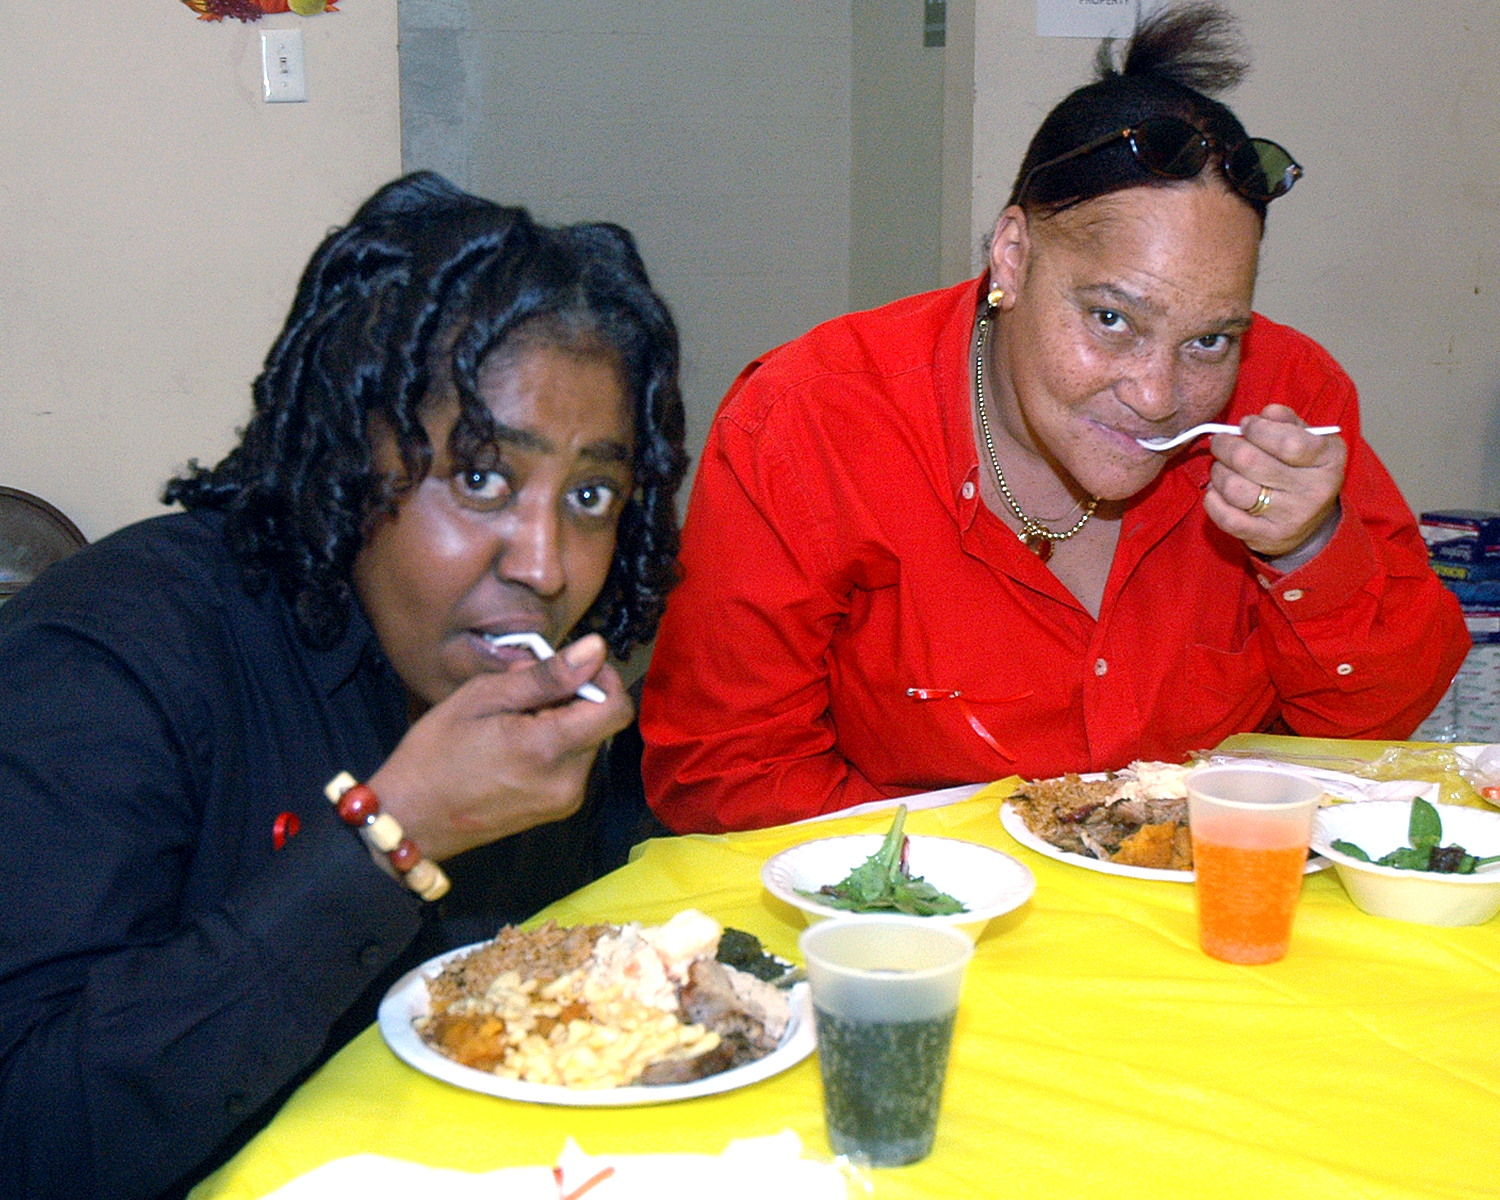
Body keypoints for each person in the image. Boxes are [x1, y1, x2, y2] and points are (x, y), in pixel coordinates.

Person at [0, 171, 687, 1199]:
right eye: (482, 476)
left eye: (591, 493)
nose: (547, 565)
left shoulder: (529, 712)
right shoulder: (106, 662)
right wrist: (391, 838)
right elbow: (34, 1136)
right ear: (344, 452)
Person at [639, 3, 1468, 835]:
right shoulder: (808, 421)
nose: (1156, 393)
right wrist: (987, 870)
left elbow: (1377, 734)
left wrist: (1311, 548)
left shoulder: (1289, 398)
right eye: (1112, 318)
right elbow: (726, 777)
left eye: (1210, 339)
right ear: (1012, 256)